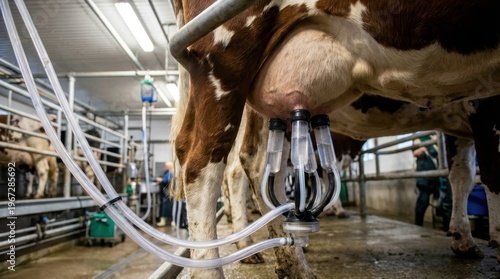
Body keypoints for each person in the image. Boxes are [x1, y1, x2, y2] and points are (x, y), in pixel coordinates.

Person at [413, 134, 441, 227]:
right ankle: (418, 225)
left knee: (443, 202)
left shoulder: (437, 136)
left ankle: (446, 227)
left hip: (438, 176)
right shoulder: (418, 138)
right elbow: (415, 153)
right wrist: (424, 147)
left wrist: (436, 141)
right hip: (424, 177)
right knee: (422, 202)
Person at [156, 161, 173, 227]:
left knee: (165, 206)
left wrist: (161, 180)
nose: (165, 167)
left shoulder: (169, 173)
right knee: (164, 206)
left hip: (166, 192)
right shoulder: (166, 173)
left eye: (166, 166)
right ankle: (164, 220)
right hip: (164, 192)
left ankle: (164, 221)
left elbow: (166, 180)